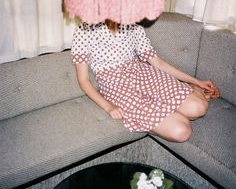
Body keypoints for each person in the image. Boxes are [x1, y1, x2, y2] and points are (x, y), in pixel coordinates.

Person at [71, 19, 220, 143]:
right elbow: (84, 81)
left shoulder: (133, 25)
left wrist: (197, 81)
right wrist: (108, 107)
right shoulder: (84, 30)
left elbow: (158, 63)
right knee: (182, 131)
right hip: (115, 84)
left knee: (199, 107)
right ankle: (159, 115)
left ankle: (189, 90)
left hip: (141, 72)